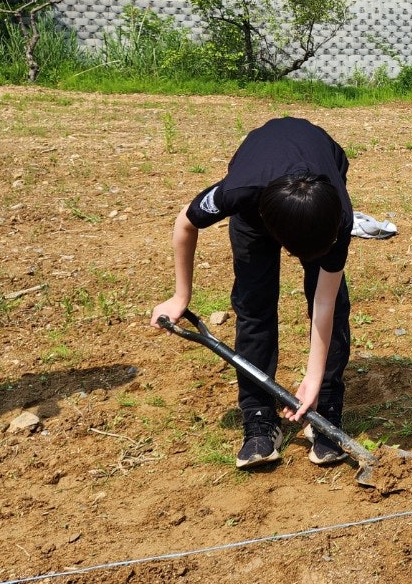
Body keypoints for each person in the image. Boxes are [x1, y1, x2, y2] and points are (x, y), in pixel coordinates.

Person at [151, 116, 354, 469]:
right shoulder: (237, 193)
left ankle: (327, 405)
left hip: (317, 174)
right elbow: (184, 223)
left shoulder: (337, 219)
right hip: (258, 198)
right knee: (253, 304)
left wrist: (313, 378)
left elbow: (324, 302)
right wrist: (181, 295)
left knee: (334, 307)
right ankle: (259, 414)